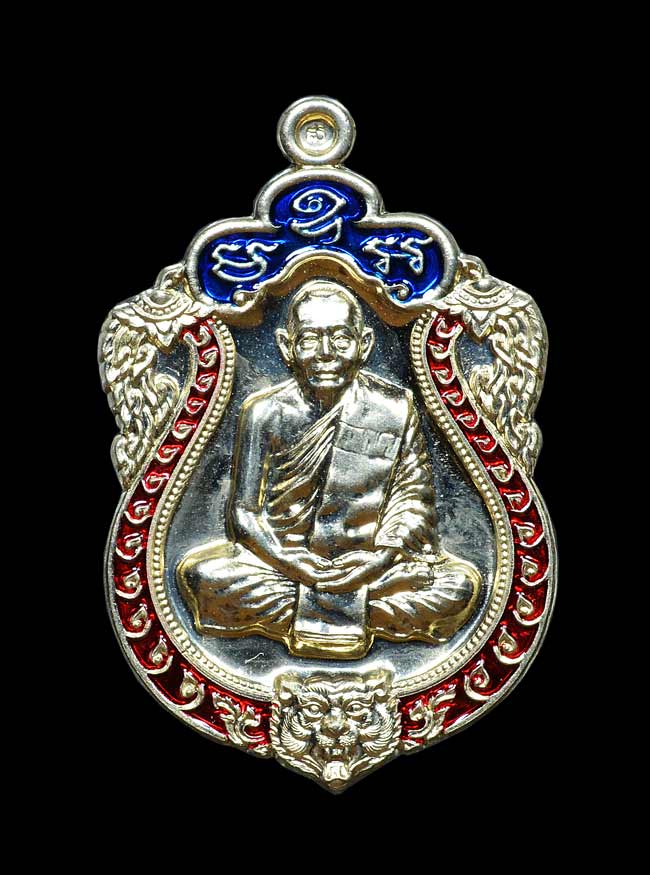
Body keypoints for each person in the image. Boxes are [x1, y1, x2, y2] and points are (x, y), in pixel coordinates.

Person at [177, 279, 480, 657]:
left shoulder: (393, 408)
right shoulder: (264, 412)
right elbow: (244, 514)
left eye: (340, 338)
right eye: (309, 340)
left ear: (364, 344)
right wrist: (293, 563)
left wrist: (378, 561)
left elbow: (413, 502)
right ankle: (366, 605)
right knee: (203, 577)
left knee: (458, 587)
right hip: (283, 565)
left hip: (370, 563)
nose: (325, 353)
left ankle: (332, 602)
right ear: (286, 347)